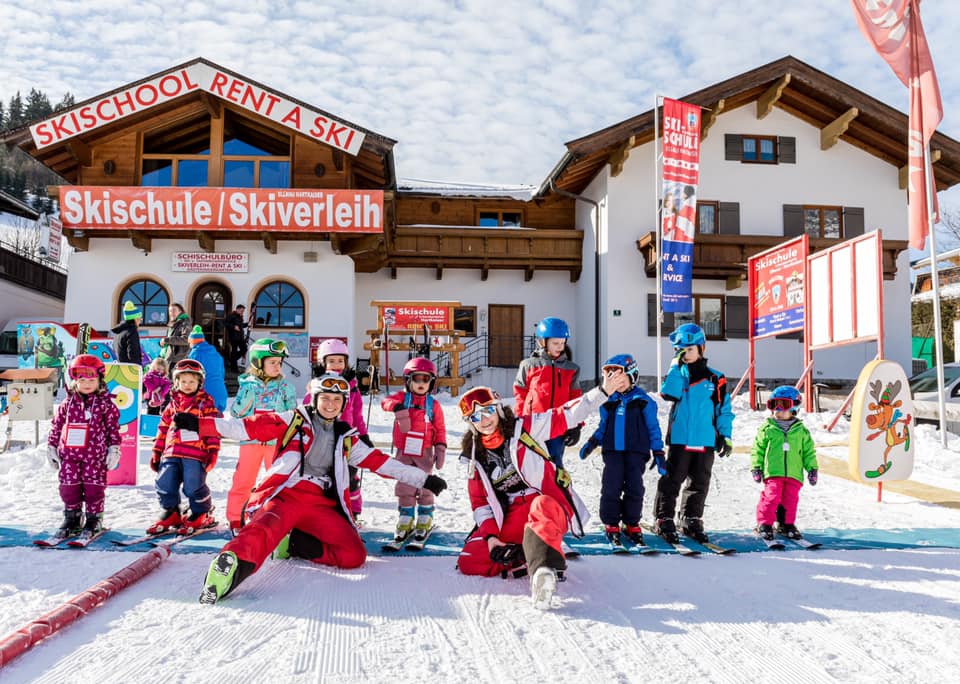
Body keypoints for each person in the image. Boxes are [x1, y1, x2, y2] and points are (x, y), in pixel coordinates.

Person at [188, 373, 449, 604]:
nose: (331, 405)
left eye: (337, 401)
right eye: (325, 398)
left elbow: (380, 462)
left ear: (344, 404)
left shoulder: (347, 438)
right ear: (314, 399)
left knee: (353, 555)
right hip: (286, 495)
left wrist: (423, 479)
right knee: (263, 529)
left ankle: (292, 544)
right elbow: (250, 426)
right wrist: (200, 425)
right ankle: (227, 569)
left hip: (320, 503)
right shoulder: (293, 420)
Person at [456, 369, 628, 610]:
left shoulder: (523, 428)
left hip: (546, 504)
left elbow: (565, 415)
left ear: (497, 408)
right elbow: (480, 503)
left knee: (541, 506)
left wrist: (602, 392)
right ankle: (525, 555)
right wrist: (493, 539)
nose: (484, 420)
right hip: (514, 514)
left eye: (487, 411)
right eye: (475, 417)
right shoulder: (475, 457)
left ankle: (542, 572)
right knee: (470, 559)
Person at [653, 323, 734, 544]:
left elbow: (723, 409)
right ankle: (664, 518)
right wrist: (674, 366)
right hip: (680, 439)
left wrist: (725, 435)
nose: (685, 354)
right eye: (680, 350)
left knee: (700, 482)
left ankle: (691, 517)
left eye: (689, 349)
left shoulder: (715, 378)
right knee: (672, 480)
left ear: (701, 348)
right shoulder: (678, 374)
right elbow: (668, 393)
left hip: (706, 440)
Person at [579, 354, 665, 548]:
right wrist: (593, 442)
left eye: (621, 379)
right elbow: (603, 426)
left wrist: (658, 452)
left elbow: (653, 428)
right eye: (613, 381)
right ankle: (611, 523)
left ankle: (631, 523)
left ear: (632, 376)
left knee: (635, 488)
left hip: (636, 453)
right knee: (611, 486)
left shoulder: (643, 401)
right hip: (613, 453)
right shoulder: (608, 403)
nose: (617, 384)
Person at [226, 338, 298, 534]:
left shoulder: (285, 387)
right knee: (244, 480)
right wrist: (246, 399)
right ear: (258, 362)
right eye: (272, 362)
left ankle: (275, 517)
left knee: (277, 481)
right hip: (251, 441)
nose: (277, 366)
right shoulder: (247, 386)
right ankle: (235, 518)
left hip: (276, 442)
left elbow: (293, 414)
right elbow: (236, 413)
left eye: (279, 363)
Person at [44, 354, 121, 538]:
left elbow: (113, 428)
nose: (87, 384)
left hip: (94, 457)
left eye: (92, 380)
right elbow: (57, 425)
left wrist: (114, 448)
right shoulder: (67, 403)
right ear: (75, 381)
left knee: (94, 488)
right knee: (68, 487)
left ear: (99, 380)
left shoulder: (105, 404)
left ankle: (94, 519)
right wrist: (51, 447)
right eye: (82, 379)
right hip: (69, 455)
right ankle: (72, 517)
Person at [147, 358, 222, 536]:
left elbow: (213, 429)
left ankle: (201, 511)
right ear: (176, 382)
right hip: (171, 452)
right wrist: (157, 451)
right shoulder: (172, 405)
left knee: (193, 485)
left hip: (195, 454)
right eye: (183, 381)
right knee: (164, 482)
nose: (187, 385)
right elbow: (163, 429)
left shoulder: (206, 403)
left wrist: (213, 451)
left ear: (199, 382)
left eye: (192, 381)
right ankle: (171, 511)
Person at [381, 357, 447, 544]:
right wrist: (396, 406)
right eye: (416, 379)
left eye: (425, 379)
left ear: (431, 383)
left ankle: (425, 516)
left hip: (424, 452)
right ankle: (406, 517)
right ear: (408, 381)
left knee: (426, 484)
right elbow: (385, 401)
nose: (420, 383)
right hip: (404, 451)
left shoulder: (434, 405)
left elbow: (440, 428)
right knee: (404, 484)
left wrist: (440, 447)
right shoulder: (402, 398)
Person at [306, 338, 368, 521]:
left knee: (349, 477)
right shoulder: (317, 386)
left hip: (347, 438)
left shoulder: (352, 387)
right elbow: (307, 409)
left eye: (340, 361)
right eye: (331, 361)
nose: (336, 365)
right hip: (322, 438)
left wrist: (363, 435)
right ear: (322, 363)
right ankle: (323, 511)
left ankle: (353, 511)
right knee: (325, 476)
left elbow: (357, 414)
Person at [513, 316, 582, 470]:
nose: (559, 347)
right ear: (542, 342)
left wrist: (576, 425)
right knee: (531, 466)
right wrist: (518, 421)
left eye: (562, 343)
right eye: (555, 343)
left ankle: (556, 494)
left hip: (558, 426)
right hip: (532, 425)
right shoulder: (528, 365)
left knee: (554, 466)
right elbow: (520, 396)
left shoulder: (571, 369)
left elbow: (575, 399)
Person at [751, 385, 819, 540]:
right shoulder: (767, 428)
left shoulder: (801, 431)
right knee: (771, 497)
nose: (778, 410)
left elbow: (809, 452)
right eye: (774, 405)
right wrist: (756, 467)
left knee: (790, 500)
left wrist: (812, 469)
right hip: (773, 472)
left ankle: (786, 524)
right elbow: (758, 449)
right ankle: (764, 523)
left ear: (794, 408)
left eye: (784, 405)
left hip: (794, 473)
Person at [186, 325, 228, 412]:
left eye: (189, 342)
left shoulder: (195, 354)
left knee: (202, 423)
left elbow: (190, 376)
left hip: (205, 395)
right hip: (221, 393)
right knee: (216, 423)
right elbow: (222, 374)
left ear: (192, 342)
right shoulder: (217, 354)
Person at [112, 300, 144, 365]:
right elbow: (132, 354)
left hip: (121, 367)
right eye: (139, 319)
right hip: (130, 370)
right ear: (135, 319)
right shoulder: (131, 331)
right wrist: (137, 362)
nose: (140, 322)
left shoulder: (119, 331)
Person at [162, 303, 192, 370]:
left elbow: (186, 339)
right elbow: (170, 341)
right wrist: (163, 342)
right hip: (170, 358)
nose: (171, 313)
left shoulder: (185, 323)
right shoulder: (173, 323)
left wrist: (167, 340)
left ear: (180, 311)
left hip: (178, 359)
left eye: (174, 310)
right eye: (170, 311)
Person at [224, 304, 248, 372]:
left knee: (244, 349)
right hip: (233, 337)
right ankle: (234, 369)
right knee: (234, 352)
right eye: (241, 311)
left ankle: (232, 360)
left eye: (243, 311)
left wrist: (247, 324)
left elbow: (240, 326)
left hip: (240, 337)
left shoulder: (239, 317)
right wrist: (233, 327)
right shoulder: (231, 316)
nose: (242, 312)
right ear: (237, 309)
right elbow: (225, 323)